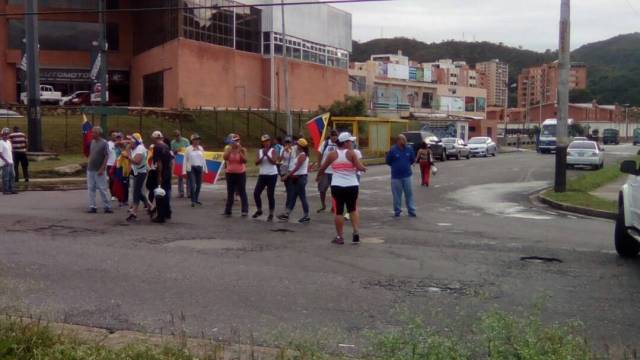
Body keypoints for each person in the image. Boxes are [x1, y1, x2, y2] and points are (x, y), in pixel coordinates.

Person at [318, 132, 367, 245]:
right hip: (352, 185)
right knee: (353, 209)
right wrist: (363, 168)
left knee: (339, 211)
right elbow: (359, 166)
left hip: (337, 185)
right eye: (350, 141)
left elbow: (323, 168)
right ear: (345, 143)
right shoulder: (352, 153)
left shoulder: (332, 155)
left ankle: (340, 237)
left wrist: (318, 176)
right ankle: (355, 233)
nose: (352, 143)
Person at [278, 138, 310, 223]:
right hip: (297, 178)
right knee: (293, 197)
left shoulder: (302, 155)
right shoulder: (299, 154)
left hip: (300, 178)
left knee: (302, 197)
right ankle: (287, 213)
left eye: (298, 144)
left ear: (301, 146)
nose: (296, 145)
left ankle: (306, 215)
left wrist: (287, 176)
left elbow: (296, 168)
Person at [386, 134, 416, 217]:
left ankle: (411, 210)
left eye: (405, 140)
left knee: (409, 194)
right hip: (396, 177)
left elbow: (412, 160)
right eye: (404, 140)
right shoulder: (393, 150)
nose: (405, 142)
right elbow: (388, 161)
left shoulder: (409, 149)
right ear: (398, 141)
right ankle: (397, 210)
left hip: (407, 176)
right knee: (396, 195)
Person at [86, 126, 112, 213]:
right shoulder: (92, 142)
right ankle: (93, 206)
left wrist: (102, 168)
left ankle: (107, 206)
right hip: (90, 169)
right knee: (91, 188)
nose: (92, 134)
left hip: (99, 169)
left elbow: (106, 156)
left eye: (94, 132)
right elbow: (91, 154)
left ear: (98, 133)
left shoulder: (104, 143)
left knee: (102, 188)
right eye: (92, 132)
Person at [253, 134, 279, 221]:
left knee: (270, 194)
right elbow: (256, 163)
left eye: (268, 141)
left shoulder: (273, 150)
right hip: (262, 174)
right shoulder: (259, 151)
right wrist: (262, 156)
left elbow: (274, 162)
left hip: (272, 174)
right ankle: (259, 209)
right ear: (262, 143)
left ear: (270, 142)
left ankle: (271, 213)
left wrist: (267, 155)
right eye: (264, 142)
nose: (266, 143)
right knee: (256, 193)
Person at [223, 133, 249, 217]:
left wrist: (239, 152)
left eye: (237, 141)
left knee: (242, 191)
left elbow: (245, 161)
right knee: (230, 192)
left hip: (240, 173)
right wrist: (231, 150)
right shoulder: (228, 148)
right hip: (230, 173)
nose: (236, 142)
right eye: (234, 141)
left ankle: (244, 210)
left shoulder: (243, 149)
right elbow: (225, 158)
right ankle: (228, 210)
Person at [126, 133, 150, 221]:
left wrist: (127, 156)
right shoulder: (134, 148)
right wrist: (128, 150)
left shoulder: (140, 148)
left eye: (131, 140)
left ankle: (134, 212)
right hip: (136, 172)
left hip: (141, 172)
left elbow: (137, 161)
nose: (129, 142)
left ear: (135, 141)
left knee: (136, 191)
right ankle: (150, 207)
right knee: (137, 192)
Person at [151, 131, 174, 223]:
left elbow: (159, 162)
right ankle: (168, 211)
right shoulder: (166, 146)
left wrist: (159, 176)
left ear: (154, 138)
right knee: (167, 192)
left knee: (160, 194)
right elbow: (170, 161)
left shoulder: (157, 147)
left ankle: (161, 215)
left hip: (162, 173)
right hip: (167, 172)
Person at [315, 129, 338, 213]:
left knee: (334, 190)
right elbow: (319, 154)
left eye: (336, 135)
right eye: (333, 135)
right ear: (330, 136)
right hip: (324, 171)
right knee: (322, 189)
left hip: (335, 171)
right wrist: (319, 166)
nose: (335, 137)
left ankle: (333, 206)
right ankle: (323, 205)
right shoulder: (325, 143)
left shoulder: (339, 144)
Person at [184, 133, 207, 207]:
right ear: (192, 140)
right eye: (195, 140)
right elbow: (185, 160)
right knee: (192, 185)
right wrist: (184, 171)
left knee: (199, 185)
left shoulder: (201, 148)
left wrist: (205, 169)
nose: (197, 141)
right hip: (191, 168)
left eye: (198, 140)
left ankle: (196, 199)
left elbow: (203, 159)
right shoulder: (188, 149)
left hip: (199, 167)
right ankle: (193, 201)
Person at [171, 130, 190, 198]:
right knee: (180, 177)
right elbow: (172, 152)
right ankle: (181, 192)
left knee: (187, 177)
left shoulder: (186, 141)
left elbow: (188, 149)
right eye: (176, 136)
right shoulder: (173, 142)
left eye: (178, 135)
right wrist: (175, 151)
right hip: (178, 161)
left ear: (180, 135)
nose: (177, 137)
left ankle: (189, 192)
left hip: (186, 160)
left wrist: (182, 150)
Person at [0, 128, 16, 195]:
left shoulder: (9, 142)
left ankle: (11, 189)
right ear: (2, 135)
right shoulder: (1, 142)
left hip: (10, 162)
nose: (6, 136)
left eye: (7, 134)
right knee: (6, 177)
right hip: (5, 163)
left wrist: (12, 160)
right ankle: (5, 190)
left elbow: (10, 152)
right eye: (4, 135)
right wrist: (6, 161)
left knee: (12, 176)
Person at [106, 130, 118, 200]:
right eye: (113, 135)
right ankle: (113, 195)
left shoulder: (120, 143)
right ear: (110, 136)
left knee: (118, 180)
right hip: (110, 164)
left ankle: (118, 194)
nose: (115, 136)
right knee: (112, 180)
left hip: (119, 165)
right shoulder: (108, 144)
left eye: (116, 135)